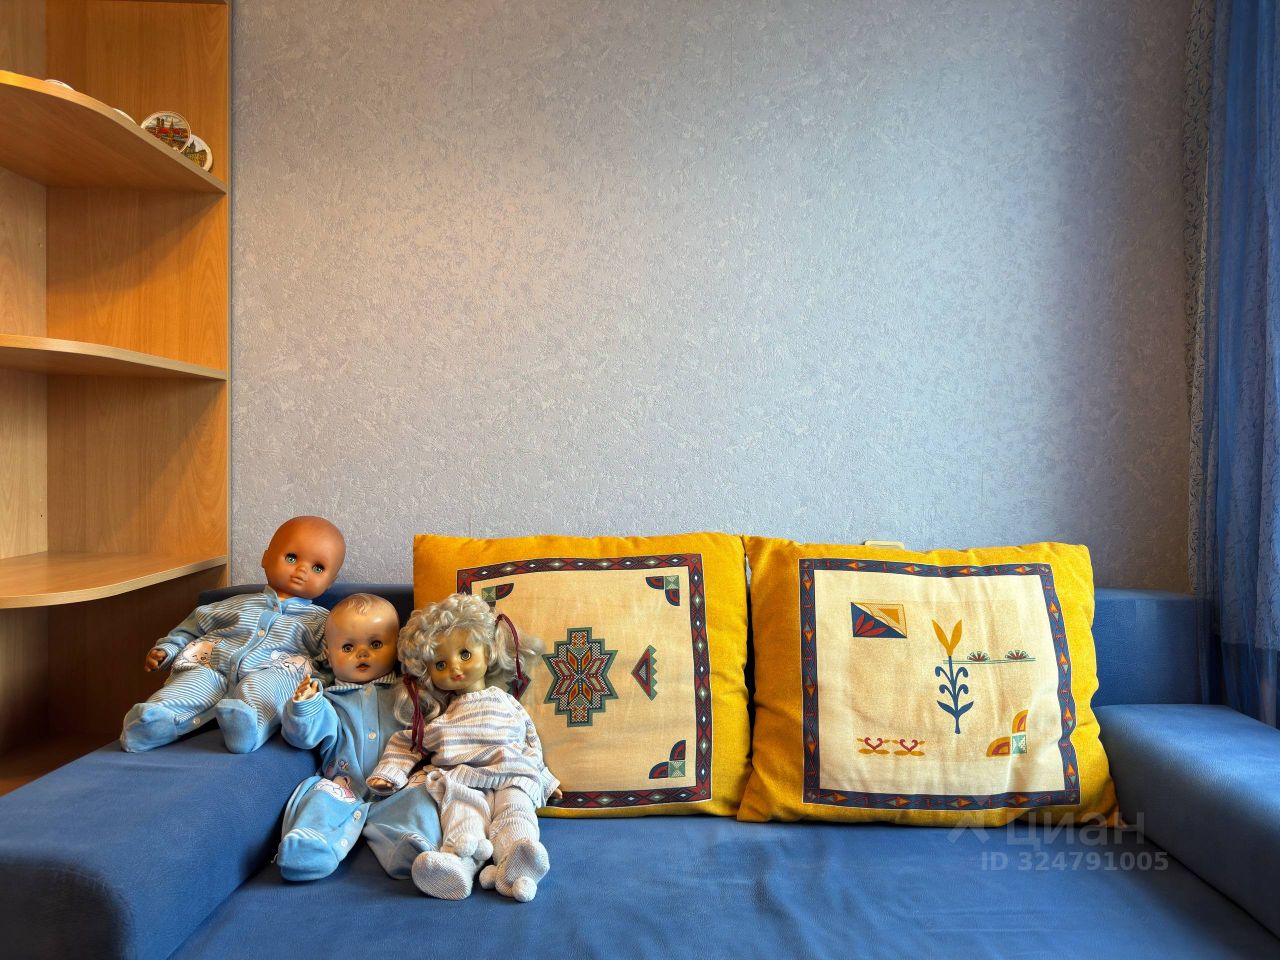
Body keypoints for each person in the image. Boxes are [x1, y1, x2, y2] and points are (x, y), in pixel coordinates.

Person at [368, 593, 558, 901]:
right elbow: (408, 742)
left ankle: (517, 858)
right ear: (428, 674)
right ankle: (457, 866)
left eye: (465, 654)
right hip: (462, 778)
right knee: (461, 815)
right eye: (440, 664)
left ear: (488, 650)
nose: (455, 668)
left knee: (516, 810)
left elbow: (528, 743)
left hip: (512, 774)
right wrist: (390, 773)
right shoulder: (443, 720)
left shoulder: (506, 703)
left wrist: (546, 781)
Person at [120, 516, 344, 754]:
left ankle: (247, 727)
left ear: (330, 581)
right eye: (291, 558)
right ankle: (155, 722)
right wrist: (168, 649)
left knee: (265, 687)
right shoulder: (232, 604)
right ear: (266, 557)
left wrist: (317, 685)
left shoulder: (323, 621)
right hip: (214, 669)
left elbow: (335, 659)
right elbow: (191, 629)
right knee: (192, 683)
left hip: (272, 673)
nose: (301, 570)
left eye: (318, 568)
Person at [277, 593, 443, 882]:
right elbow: (303, 737)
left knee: (422, 797)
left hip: (401, 787)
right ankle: (311, 846)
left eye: (375, 644)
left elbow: (436, 728)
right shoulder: (328, 701)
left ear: (398, 647)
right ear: (329, 654)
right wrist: (304, 706)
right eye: (348, 647)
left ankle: (413, 847)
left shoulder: (408, 693)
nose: (362, 654)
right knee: (318, 797)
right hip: (343, 788)